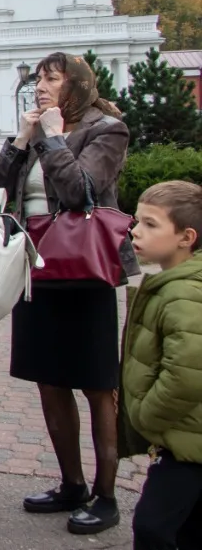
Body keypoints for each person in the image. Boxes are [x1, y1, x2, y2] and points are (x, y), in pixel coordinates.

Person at [0, 52, 135, 535]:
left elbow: (81, 191)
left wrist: (50, 137)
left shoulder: (105, 128)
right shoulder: (37, 129)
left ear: (77, 84)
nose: (40, 87)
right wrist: (21, 141)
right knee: (49, 378)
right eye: (38, 79)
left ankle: (106, 494)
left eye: (52, 78)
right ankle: (71, 483)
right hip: (36, 267)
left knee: (95, 383)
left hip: (85, 270)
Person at [122, 181, 202, 550]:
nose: (136, 230)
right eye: (137, 221)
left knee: (153, 527)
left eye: (151, 224)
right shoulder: (173, 282)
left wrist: (146, 417)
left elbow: (187, 376)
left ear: (186, 237)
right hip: (186, 440)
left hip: (185, 444)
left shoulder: (184, 293)